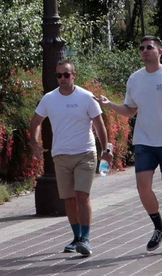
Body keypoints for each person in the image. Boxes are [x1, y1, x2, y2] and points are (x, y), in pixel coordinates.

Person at [111, 35, 162, 256]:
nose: (145, 51)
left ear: (160, 52)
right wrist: (109, 105)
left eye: (149, 47)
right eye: (142, 48)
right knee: (142, 186)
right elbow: (130, 110)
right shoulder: (135, 79)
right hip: (144, 141)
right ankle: (159, 226)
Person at [31, 59, 113, 257]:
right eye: (59, 75)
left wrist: (106, 149)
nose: (62, 79)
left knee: (82, 195)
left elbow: (99, 125)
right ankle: (76, 237)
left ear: (74, 75)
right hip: (60, 155)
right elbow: (36, 122)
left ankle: (85, 238)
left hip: (85, 153)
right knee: (68, 199)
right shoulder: (49, 99)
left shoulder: (86, 97)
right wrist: (34, 143)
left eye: (66, 74)